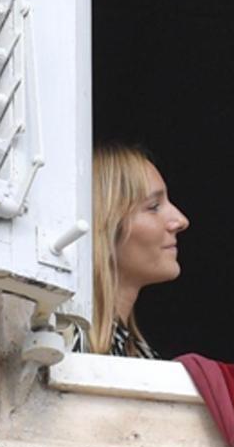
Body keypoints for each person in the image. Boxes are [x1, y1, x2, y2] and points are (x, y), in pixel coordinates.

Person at [70, 143, 190, 358]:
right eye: (154, 207)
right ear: (104, 226)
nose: (181, 221)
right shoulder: (63, 348)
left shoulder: (140, 354)